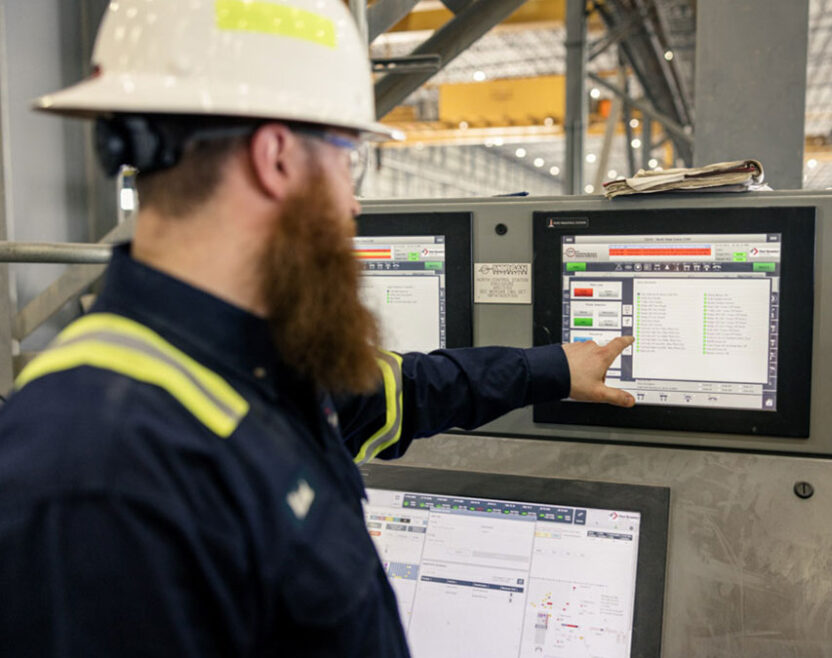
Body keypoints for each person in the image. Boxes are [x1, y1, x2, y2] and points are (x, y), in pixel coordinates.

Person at [0, 1, 633, 655]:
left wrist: (556, 368)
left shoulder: (259, 370)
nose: (352, 201)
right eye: (345, 161)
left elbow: (409, 389)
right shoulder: (97, 477)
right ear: (275, 156)